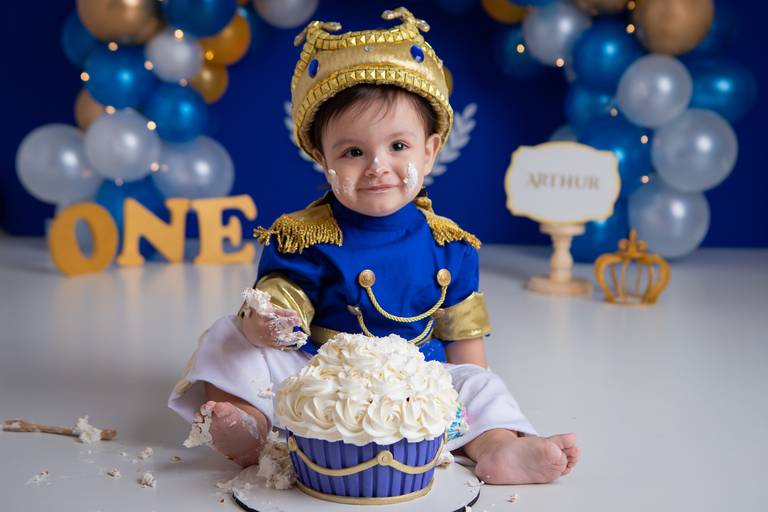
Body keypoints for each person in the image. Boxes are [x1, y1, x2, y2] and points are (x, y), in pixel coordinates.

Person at [169, 7, 579, 484]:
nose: (377, 166)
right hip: (321, 380)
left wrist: (465, 392)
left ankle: (497, 445)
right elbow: (281, 295)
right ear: (323, 159)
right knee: (230, 337)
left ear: (430, 151)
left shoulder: (451, 245)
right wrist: (267, 325)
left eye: (398, 147)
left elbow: (463, 338)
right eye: (353, 152)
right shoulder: (307, 235)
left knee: (480, 387)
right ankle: (251, 424)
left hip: (415, 384)